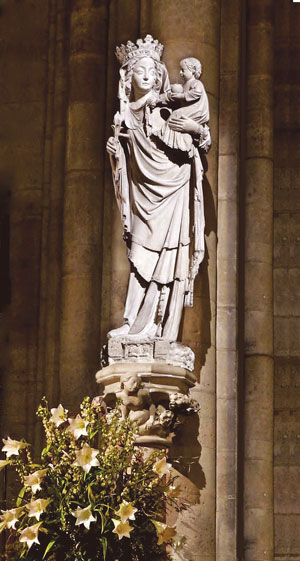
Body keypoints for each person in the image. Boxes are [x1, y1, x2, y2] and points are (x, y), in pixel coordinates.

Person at [106, 35, 210, 341]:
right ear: (128, 79)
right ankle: (134, 324)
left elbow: (198, 141)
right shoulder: (123, 116)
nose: (148, 75)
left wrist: (194, 130)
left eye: (153, 69)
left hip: (174, 185)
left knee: (171, 258)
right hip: (143, 196)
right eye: (140, 71)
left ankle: (162, 330)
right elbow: (122, 162)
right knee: (140, 256)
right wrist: (115, 154)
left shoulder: (169, 106)